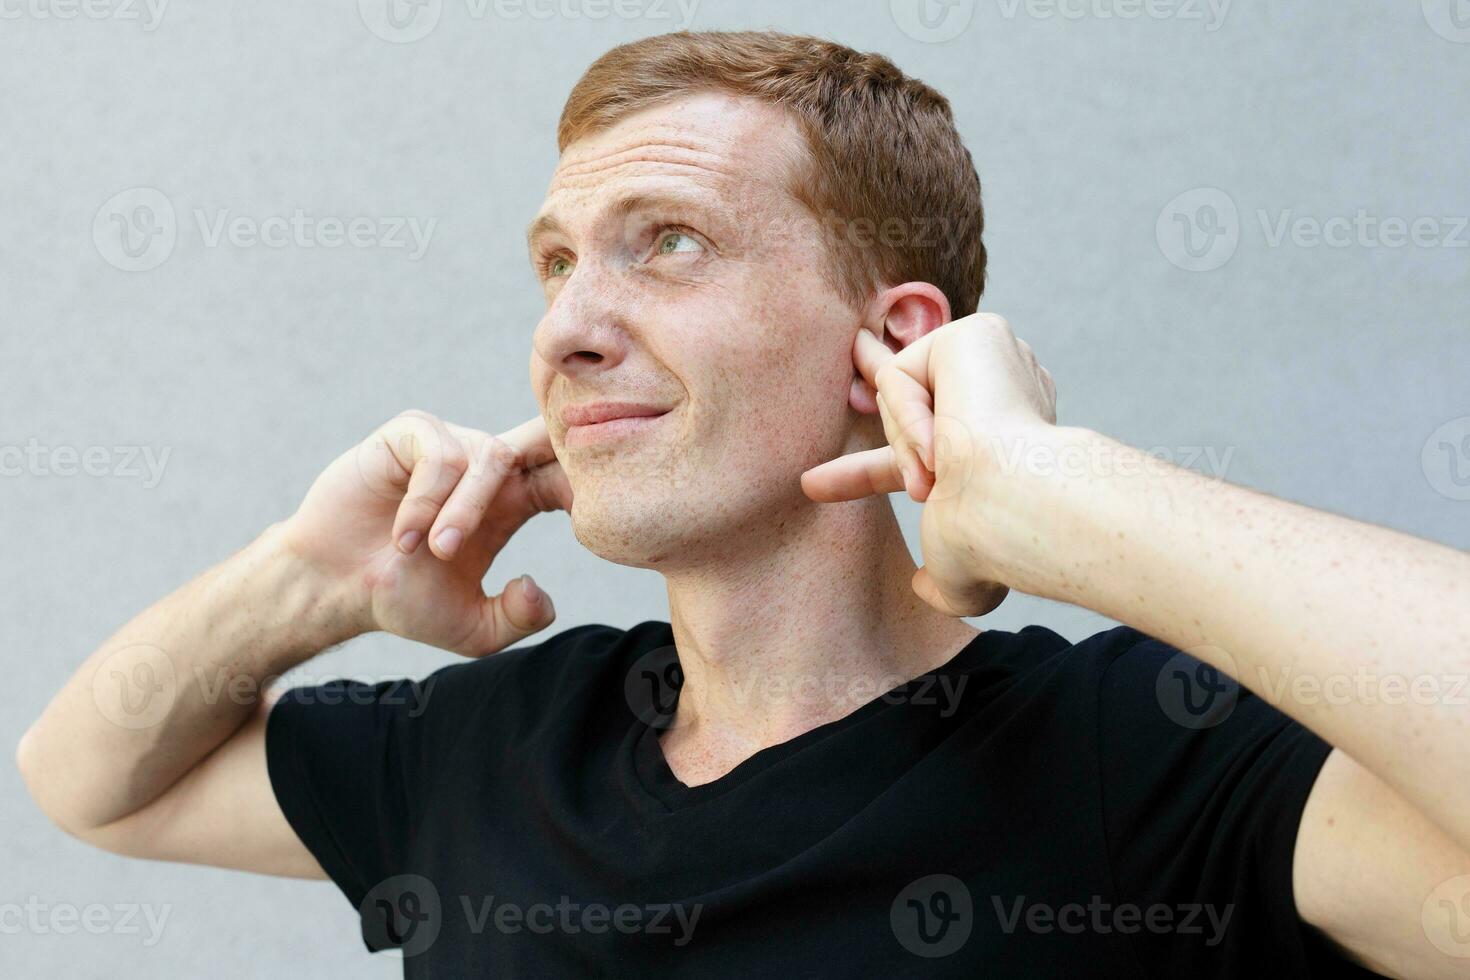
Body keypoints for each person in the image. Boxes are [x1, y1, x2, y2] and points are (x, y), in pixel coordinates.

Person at [18, 30, 1470, 978]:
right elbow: (91, 780)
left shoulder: (1140, 761)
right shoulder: (496, 745)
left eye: (666, 247)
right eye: (555, 262)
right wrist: (317, 577)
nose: (568, 326)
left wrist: (1047, 489)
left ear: (891, 344)